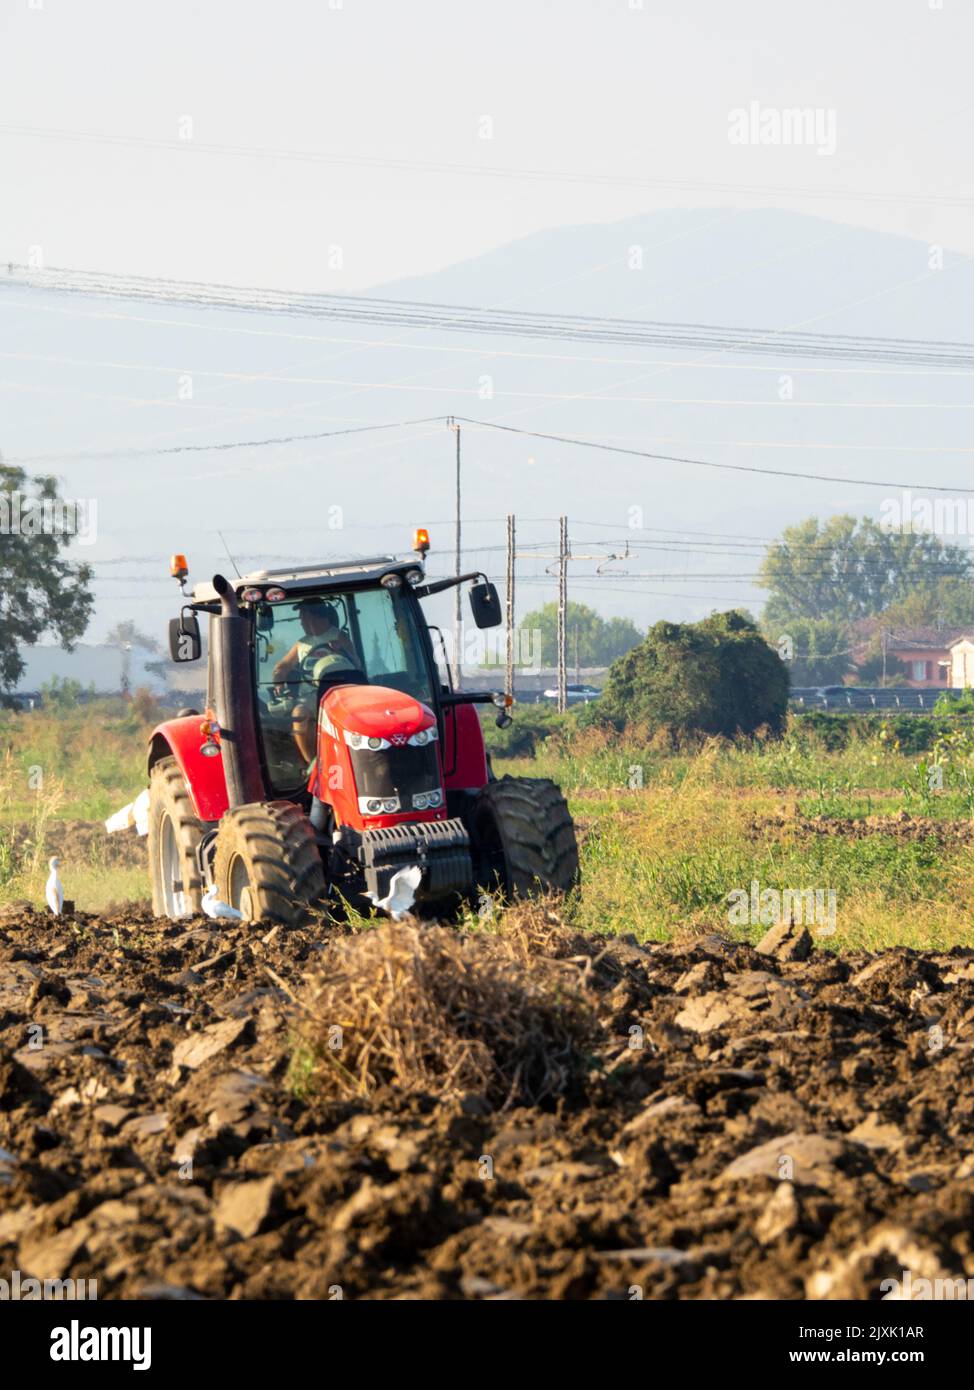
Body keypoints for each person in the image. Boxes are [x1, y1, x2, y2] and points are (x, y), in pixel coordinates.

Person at [271, 598, 360, 764]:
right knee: (299, 714)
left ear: (312, 616)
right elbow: (283, 666)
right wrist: (279, 677)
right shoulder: (302, 643)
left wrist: (341, 651)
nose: (300, 622)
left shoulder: (339, 637)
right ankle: (313, 764)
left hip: (342, 692)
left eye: (302, 616)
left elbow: (357, 664)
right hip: (313, 695)